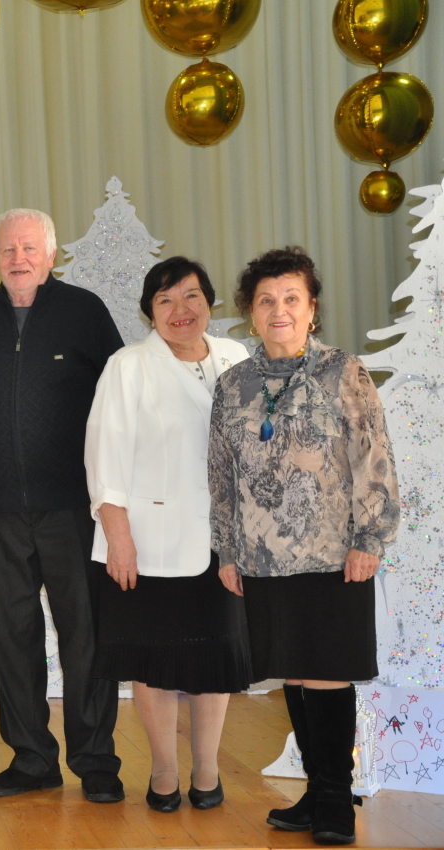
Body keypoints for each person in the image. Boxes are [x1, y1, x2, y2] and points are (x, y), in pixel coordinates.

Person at [210, 247, 398, 846]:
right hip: (262, 558)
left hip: (334, 554)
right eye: (266, 300)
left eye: (291, 298)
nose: (279, 310)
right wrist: (227, 550)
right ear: (251, 312)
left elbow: (373, 458)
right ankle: (316, 793)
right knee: (293, 670)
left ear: (312, 308)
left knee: (327, 672)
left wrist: (369, 537)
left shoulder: (344, 372)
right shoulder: (233, 385)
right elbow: (220, 474)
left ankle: (336, 798)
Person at [0, 208, 126, 802]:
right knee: (11, 637)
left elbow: (117, 402)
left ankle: (95, 760)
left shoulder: (85, 312)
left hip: (73, 506)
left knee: (85, 635)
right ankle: (31, 759)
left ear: (51, 255)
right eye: (8, 249)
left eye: (29, 248)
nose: (18, 258)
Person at [84, 257, 253, 813]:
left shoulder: (236, 357)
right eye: (165, 300)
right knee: (152, 663)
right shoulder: (128, 365)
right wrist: (118, 538)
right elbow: (104, 459)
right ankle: (163, 770)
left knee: (215, 658)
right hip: (148, 543)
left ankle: (207, 769)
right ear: (149, 312)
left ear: (209, 302)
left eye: (191, 296)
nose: (181, 310)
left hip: (223, 542)